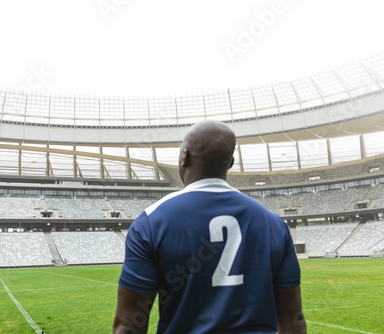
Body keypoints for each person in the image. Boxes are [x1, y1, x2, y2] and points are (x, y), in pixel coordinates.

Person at [113, 120, 306, 334]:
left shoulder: (150, 222)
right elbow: (292, 318)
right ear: (231, 162)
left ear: (184, 157)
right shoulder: (274, 223)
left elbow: (129, 326)